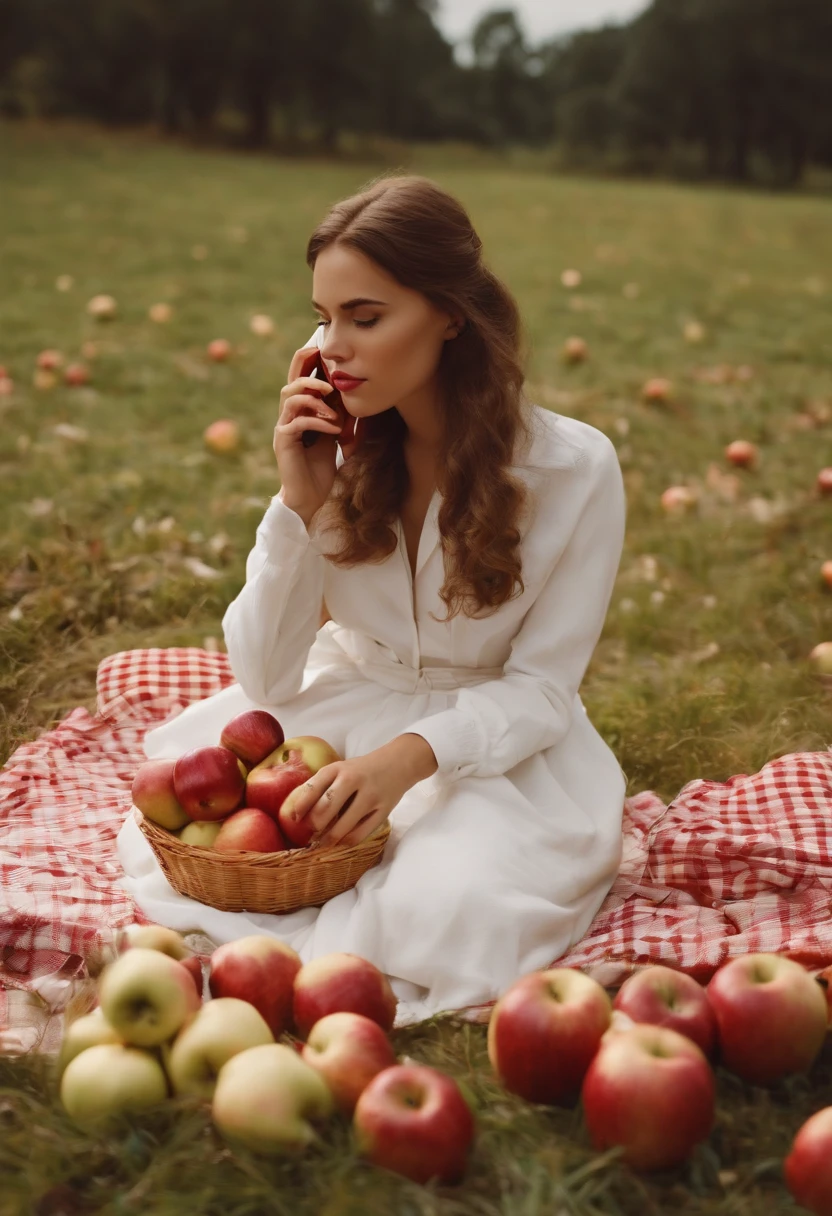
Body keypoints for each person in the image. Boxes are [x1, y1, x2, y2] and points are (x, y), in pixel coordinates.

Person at [117, 173, 628, 1026]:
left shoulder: (576, 471)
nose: (332, 347)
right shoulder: (338, 451)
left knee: (446, 914)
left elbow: (545, 689)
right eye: (323, 318)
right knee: (216, 864)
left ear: (450, 315)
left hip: (493, 746)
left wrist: (411, 757)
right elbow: (267, 676)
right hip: (338, 717)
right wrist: (297, 503)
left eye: (365, 316)